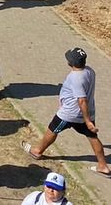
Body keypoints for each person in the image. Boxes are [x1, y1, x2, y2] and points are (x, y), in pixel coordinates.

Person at [23, 47, 110, 176]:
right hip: (87, 112)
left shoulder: (76, 78)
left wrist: (87, 121)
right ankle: (103, 165)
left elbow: (81, 100)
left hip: (70, 113)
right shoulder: (90, 71)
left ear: (72, 63)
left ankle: (37, 151)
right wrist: (88, 120)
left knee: (53, 129)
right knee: (92, 137)